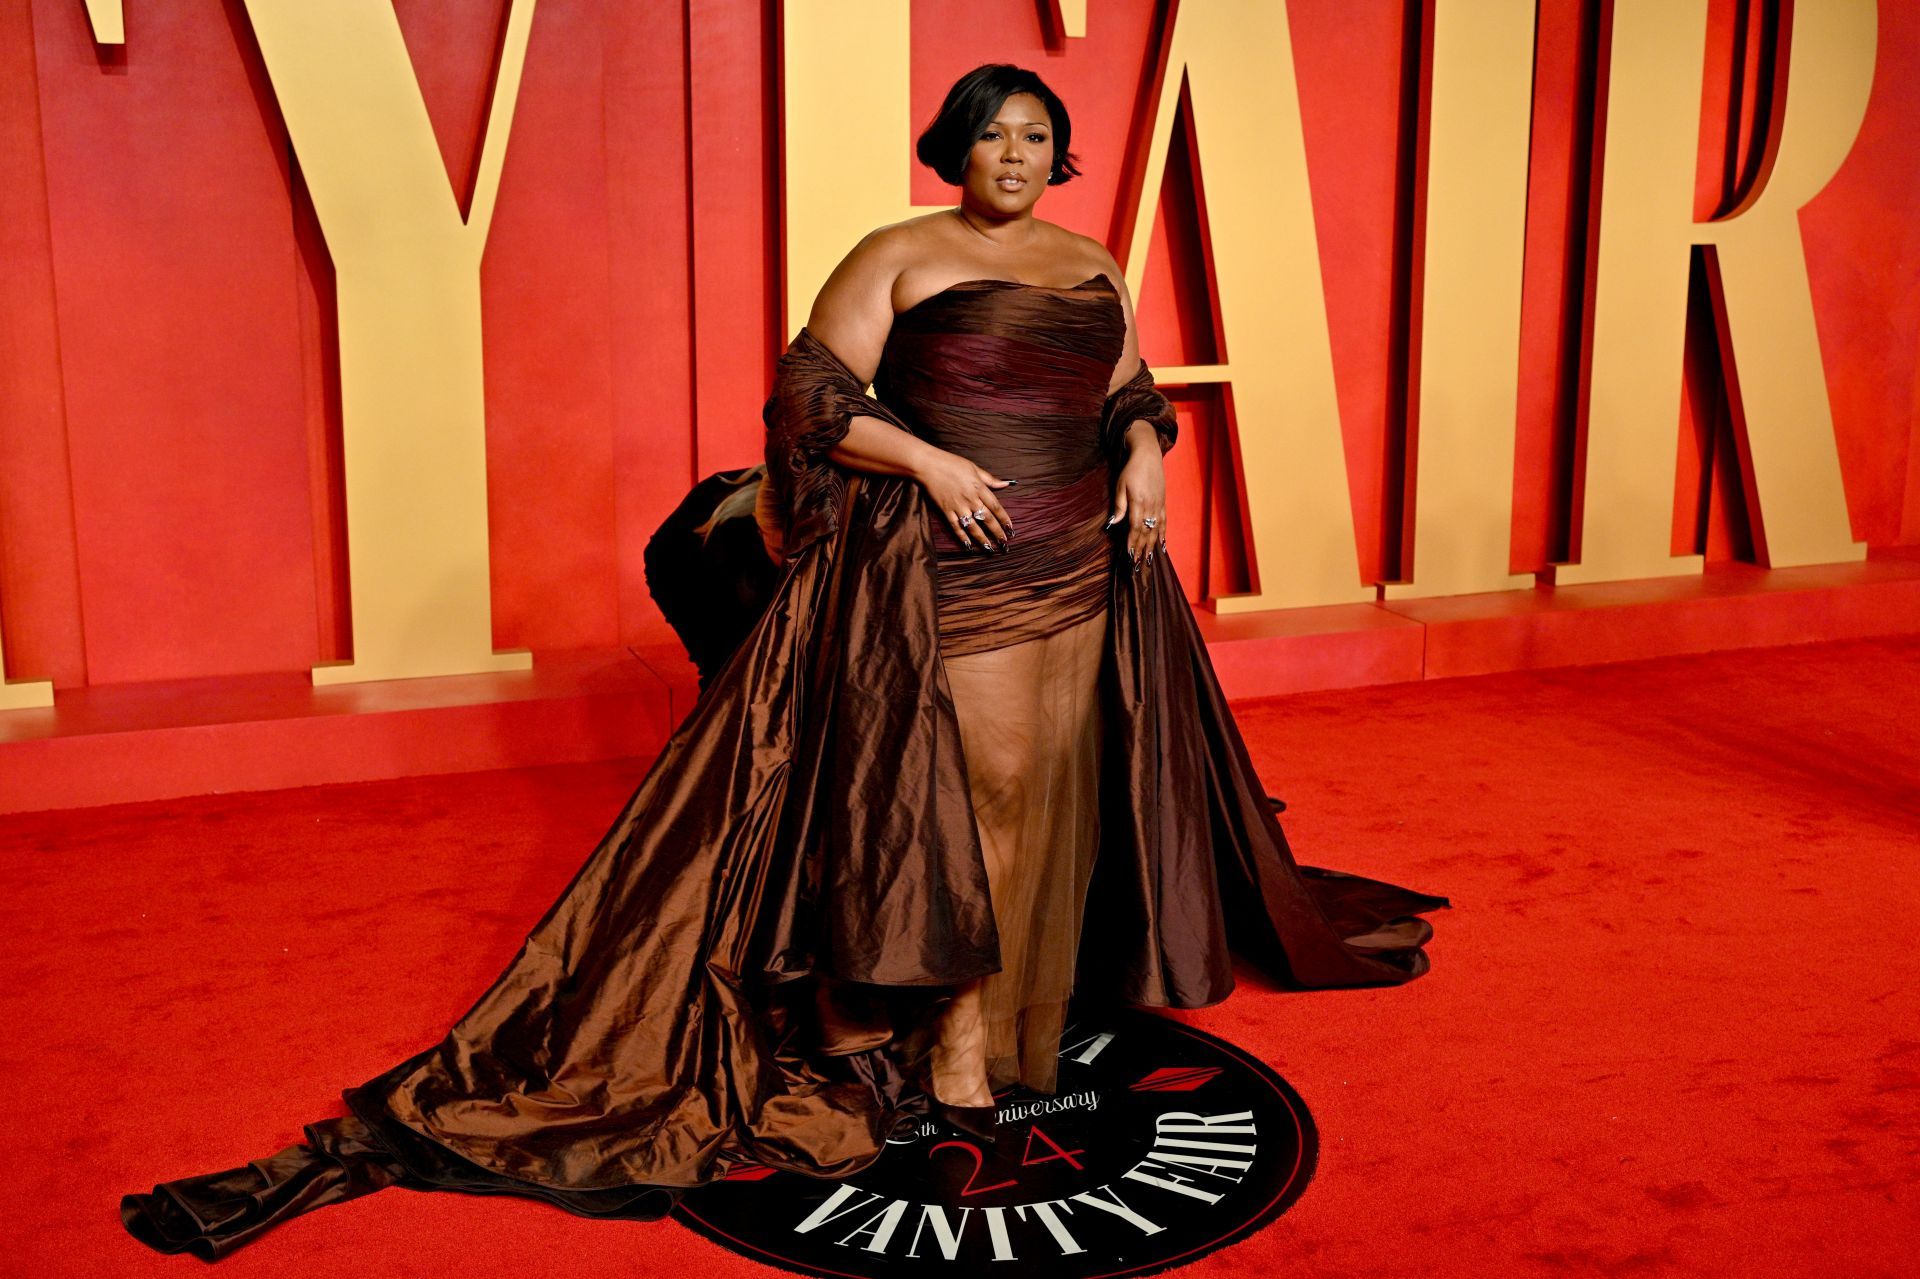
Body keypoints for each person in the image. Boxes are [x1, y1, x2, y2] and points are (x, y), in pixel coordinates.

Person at [120, 63, 1449, 1261]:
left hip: (1084, 563)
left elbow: (1128, 390)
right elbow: (812, 396)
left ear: (1060, 156)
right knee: (973, 800)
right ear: (954, 150)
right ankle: (961, 1037)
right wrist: (924, 457)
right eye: (993, 137)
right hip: (949, 572)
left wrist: (1150, 453)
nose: (1017, 157)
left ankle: (1003, 1013)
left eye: (1038, 138)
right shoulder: (898, 254)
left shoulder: (1094, 263)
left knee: (1054, 793)